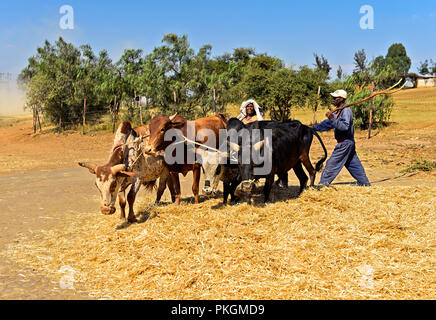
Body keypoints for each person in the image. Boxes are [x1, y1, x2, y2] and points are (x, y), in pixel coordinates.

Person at [311, 89, 371, 186]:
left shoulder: (346, 111)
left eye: (335, 98)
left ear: (341, 99)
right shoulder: (337, 112)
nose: (333, 99)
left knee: (331, 164)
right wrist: (313, 127)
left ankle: (322, 185)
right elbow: (328, 124)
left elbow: (344, 126)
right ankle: (365, 184)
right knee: (353, 165)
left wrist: (332, 119)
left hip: (345, 143)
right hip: (347, 143)